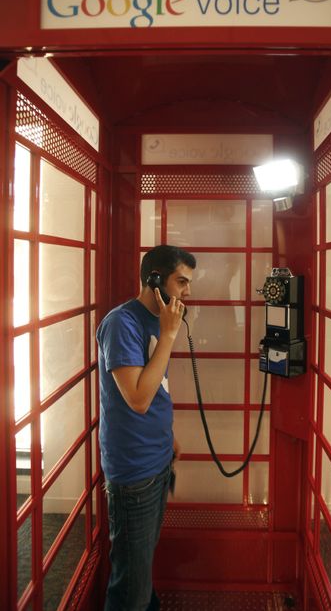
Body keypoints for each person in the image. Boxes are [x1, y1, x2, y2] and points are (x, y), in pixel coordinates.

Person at [97, 245, 196, 611]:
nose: (187, 291)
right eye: (181, 281)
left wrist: (167, 436)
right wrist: (169, 335)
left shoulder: (157, 322)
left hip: (157, 461)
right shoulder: (121, 323)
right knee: (130, 589)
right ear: (154, 280)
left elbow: (157, 388)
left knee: (142, 568)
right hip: (133, 472)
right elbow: (137, 398)